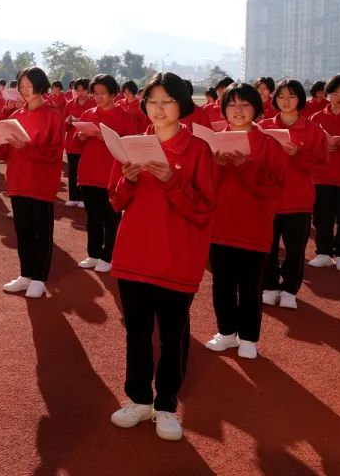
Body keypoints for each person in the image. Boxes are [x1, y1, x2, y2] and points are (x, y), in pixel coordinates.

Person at [108, 72, 216, 442]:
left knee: (173, 335)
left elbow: (203, 209)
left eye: (167, 100)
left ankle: (167, 404)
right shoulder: (132, 145)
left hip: (176, 257)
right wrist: (130, 180)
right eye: (152, 100)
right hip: (134, 253)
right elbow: (116, 201)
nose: (158, 107)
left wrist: (171, 179)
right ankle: (139, 399)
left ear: (182, 104)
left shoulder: (198, 150)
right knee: (136, 333)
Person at [204, 83, 286, 360]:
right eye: (232, 104)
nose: (237, 110)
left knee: (250, 286)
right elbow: (204, 187)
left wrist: (245, 167)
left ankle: (249, 337)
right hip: (220, 226)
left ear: (257, 109)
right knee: (222, 284)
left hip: (255, 227)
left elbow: (274, 189)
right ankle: (226, 332)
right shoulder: (213, 141)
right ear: (224, 109)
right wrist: (216, 164)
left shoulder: (268, 144)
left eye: (245, 104)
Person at [0, 67, 63, 299]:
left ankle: (39, 278)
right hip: (18, 180)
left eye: (29, 86)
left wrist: (26, 147)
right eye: (21, 87)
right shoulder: (16, 116)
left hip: (41, 182)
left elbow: (53, 152)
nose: (25, 91)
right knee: (23, 231)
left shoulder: (53, 114)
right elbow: (5, 154)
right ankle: (26, 274)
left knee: (41, 232)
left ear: (41, 86)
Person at [259, 79, 329, 308]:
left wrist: (297, 153)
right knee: (267, 247)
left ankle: (289, 288)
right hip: (268, 200)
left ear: (300, 99)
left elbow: (319, 166)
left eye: (291, 96)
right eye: (281, 96)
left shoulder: (312, 129)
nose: (285, 101)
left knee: (295, 251)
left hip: (298, 201)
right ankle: (269, 285)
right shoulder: (264, 127)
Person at [73, 74, 134, 273]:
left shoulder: (124, 117)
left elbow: (129, 145)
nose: (98, 98)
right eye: (95, 94)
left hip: (111, 175)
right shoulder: (88, 113)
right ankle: (93, 253)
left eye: (103, 94)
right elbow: (76, 142)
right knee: (93, 217)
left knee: (110, 218)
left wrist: (106, 139)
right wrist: (82, 135)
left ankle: (109, 255)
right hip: (89, 172)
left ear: (114, 94)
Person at [308, 73, 340, 269]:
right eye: (335, 92)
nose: (339, 97)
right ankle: (323, 252)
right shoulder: (317, 117)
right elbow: (309, 145)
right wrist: (324, 145)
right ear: (328, 94)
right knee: (323, 216)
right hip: (322, 177)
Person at [61, 78, 94, 208]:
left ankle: (84, 198)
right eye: (78, 90)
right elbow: (63, 124)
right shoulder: (70, 104)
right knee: (73, 171)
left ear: (88, 90)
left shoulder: (93, 104)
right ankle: (73, 197)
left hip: (86, 144)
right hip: (72, 144)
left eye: (84, 90)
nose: (81, 93)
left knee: (85, 171)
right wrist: (68, 121)